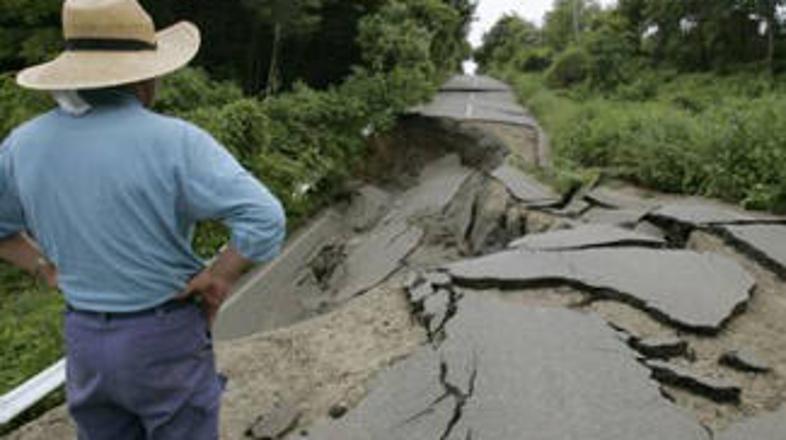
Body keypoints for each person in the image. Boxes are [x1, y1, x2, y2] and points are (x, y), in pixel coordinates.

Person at [0, 0, 286, 438]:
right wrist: (218, 278)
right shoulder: (176, 141)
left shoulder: (22, 145)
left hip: (84, 339)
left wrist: (46, 269)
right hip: (162, 333)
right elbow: (264, 218)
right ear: (145, 75)